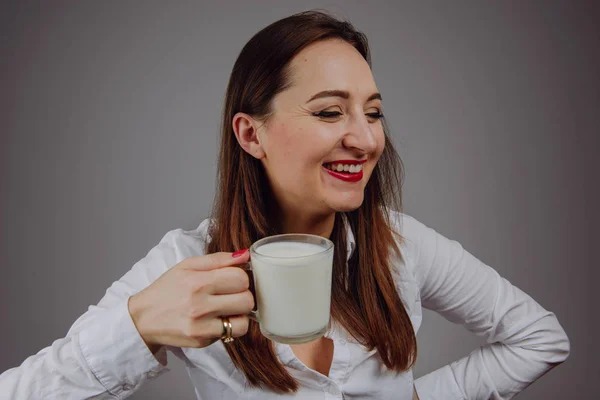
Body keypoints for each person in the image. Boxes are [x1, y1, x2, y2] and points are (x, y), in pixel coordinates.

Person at [0, 10, 570, 400]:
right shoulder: (189, 265)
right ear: (252, 135)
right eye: (329, 112)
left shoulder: (401, 245)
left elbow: (541, 337)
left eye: (372, 112)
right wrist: (140, 326)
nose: (368, 139)